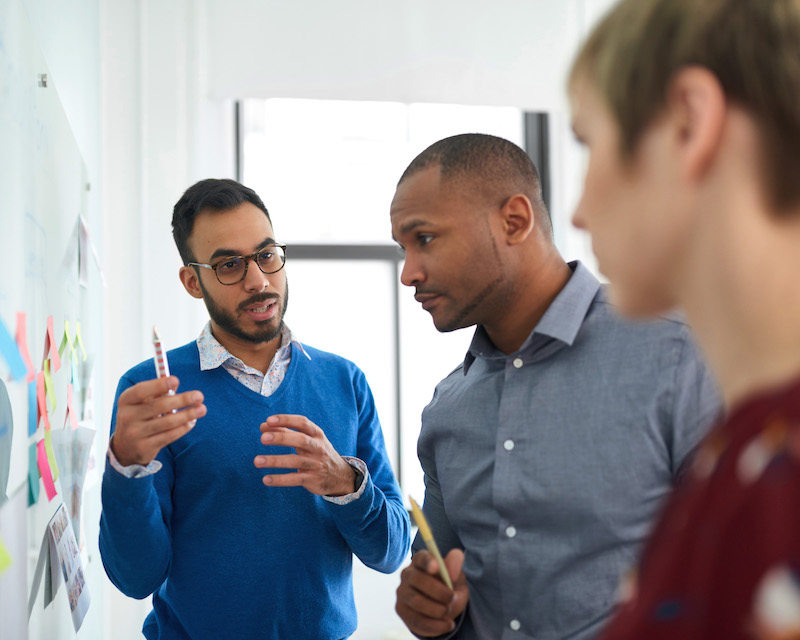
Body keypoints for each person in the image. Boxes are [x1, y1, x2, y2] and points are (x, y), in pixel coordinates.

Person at [390, 133, 720, 640]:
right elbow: (442, 575)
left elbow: (746, 570)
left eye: (425, 239)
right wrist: (432, 608)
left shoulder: (679, 354)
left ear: (514, 221)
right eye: (402, 248)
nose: (408, 273)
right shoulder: (446, 409)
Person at [568, 1, 800, 638]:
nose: (580, 210)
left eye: (589, 142)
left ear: (687, 124)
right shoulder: (747, 446)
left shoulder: (780, 478)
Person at [99, 178, 410, 639]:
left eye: (266, 255)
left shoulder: (345, 381)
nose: (259, 281)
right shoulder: (152, 391)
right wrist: (126, 465)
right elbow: (136, 577)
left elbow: (390, 552)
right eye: (229, 265)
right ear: (192, 281)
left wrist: (345, 483)